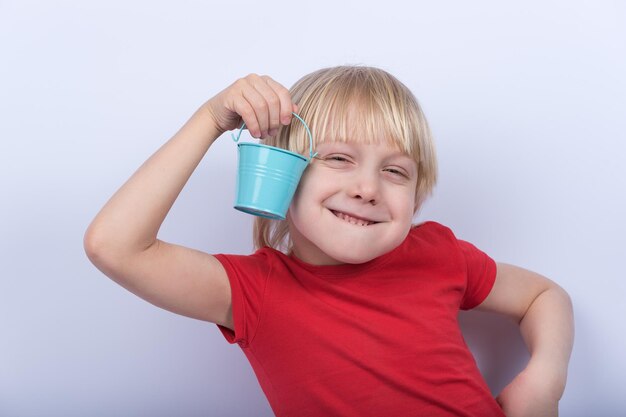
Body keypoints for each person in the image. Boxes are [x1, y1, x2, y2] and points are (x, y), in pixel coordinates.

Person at [84, 66, 574, 417]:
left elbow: (543, 296)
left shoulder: (439, 254)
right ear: (282, 173)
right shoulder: (254, 291)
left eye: (395, 171)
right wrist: (211, 119)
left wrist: (544, 381)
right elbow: (115, 245)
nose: (367, 187)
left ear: (417, 197)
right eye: (338, 159)